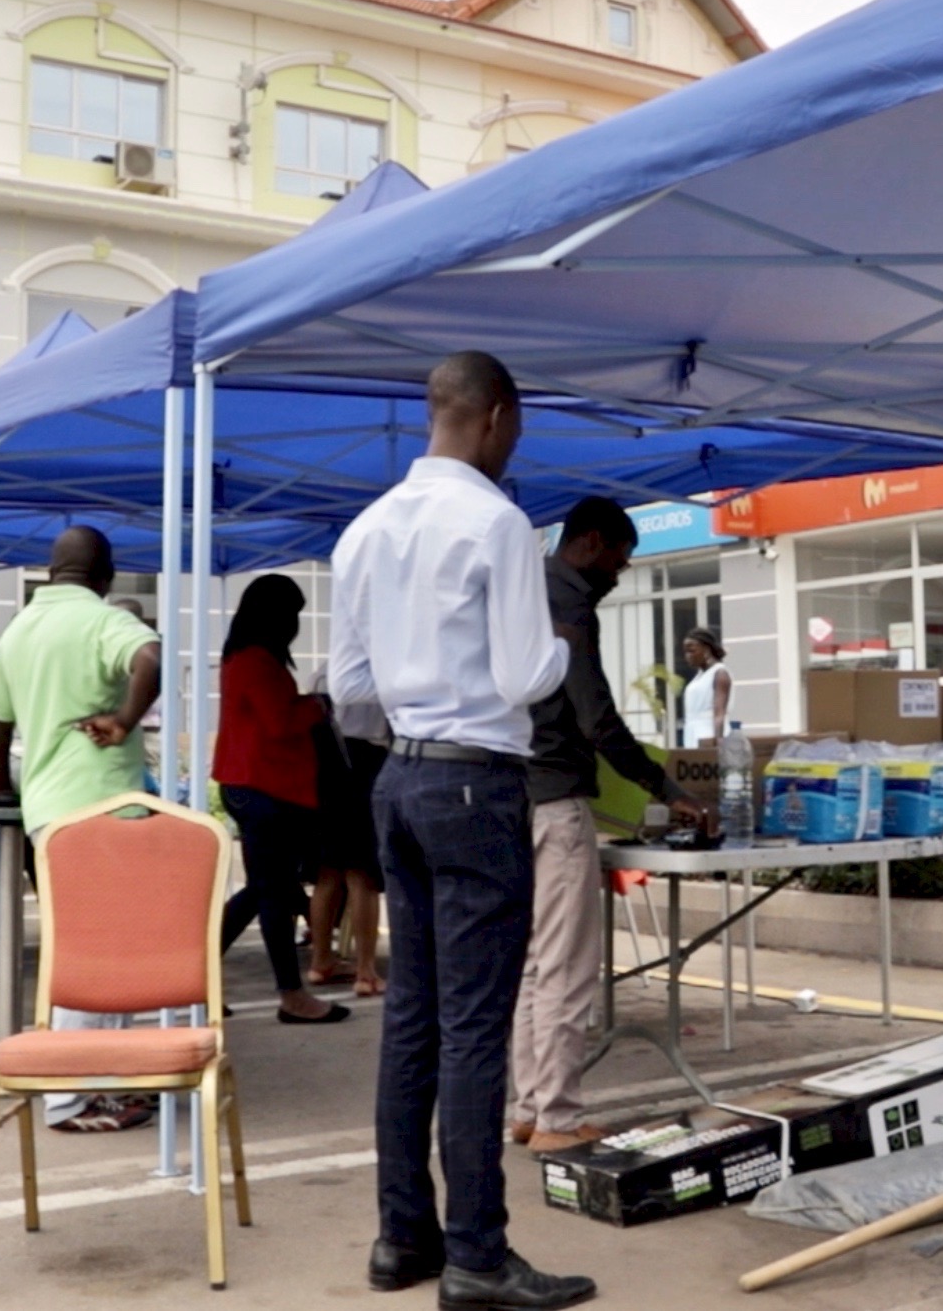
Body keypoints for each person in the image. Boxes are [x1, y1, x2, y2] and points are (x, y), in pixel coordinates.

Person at [332, 351, 592, 1311]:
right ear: (495, 416)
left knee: (412, 1022)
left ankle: (404, 1238)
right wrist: (565, 643)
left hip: (398, 779)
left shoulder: (364, 529)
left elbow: (352, 690)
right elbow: (529, 673)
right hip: (478, 784)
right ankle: (478, 1254)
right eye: (517, 426)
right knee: (477, 1027)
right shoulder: (496, 521)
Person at [512, 498, 711, 1151]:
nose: (623, 572)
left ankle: (526, 1108)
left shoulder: (522, 586)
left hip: (507, 794)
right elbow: (594, 714)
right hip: (554, 799)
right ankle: (558, 1120)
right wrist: (665, 788)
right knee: (567, 968)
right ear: (591, 543)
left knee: (531, 967)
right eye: (621, 558)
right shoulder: (567, 602)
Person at [0, 526, 164, 1133]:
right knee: (103, 951)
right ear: (105, 576)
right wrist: (125, 717)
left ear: (51, 570)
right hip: (106, 806)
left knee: (83, 944)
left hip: (48, 812)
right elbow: (151, 658)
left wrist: (1, 788)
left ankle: (101, 1081)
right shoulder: (101, 621)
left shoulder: (20, 631)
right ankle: (71, 1093)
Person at [212, 575, 351, 1025]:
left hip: (251, 786)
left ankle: (196, 973)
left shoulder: (241, 656)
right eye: (294, 614)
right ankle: (291, 994)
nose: (296, 623)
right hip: (264, 788)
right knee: (272, 892)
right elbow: (280, 722)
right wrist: (318, 705)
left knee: (261, 890)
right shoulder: (257, 661)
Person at [307, 672, 388, 997]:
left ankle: (320, 960)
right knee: (362, 874)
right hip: (368, 762)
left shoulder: (323, 674)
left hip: (325, 767)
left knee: (327, 874)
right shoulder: (380, 670)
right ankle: (365, 970)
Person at [677, 627, 730, 748]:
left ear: (706, 649)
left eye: (691, 651)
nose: (687, 656)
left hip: (708, 737)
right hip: (693, 736)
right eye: (685, 652)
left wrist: (719, 742)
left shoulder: (720, 673)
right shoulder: (700, 676)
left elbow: (719, 713)